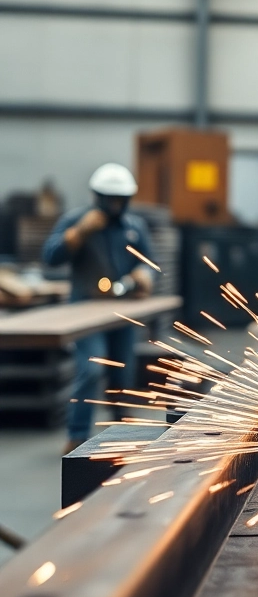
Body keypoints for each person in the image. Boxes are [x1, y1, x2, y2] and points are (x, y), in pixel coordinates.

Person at [44, 163, 156, 454]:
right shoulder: (78, 220)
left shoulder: (134, 227)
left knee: (122, 371)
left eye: (121, 199)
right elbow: (50, 256)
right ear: (98, 196)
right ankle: (77, 435)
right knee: (92, 369)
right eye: (111, 198)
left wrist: (144, 275)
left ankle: (121, 430)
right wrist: (78, 233)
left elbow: (149, 262)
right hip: (84, 312)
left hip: (122, 310)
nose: (116, 205)